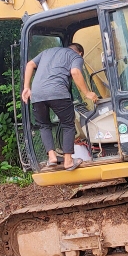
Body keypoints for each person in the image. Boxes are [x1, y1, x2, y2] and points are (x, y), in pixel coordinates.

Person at [20, 43, 97, 171]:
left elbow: (29, 65)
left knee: (44, 125)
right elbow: (75, 71)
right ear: (80, 53)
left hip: (37, 94)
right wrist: (88, 93)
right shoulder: (75, 56)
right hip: (58, 93)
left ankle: (52, 158)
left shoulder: (47, 52)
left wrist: (26, 87)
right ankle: (68, 161)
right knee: (68, 124)